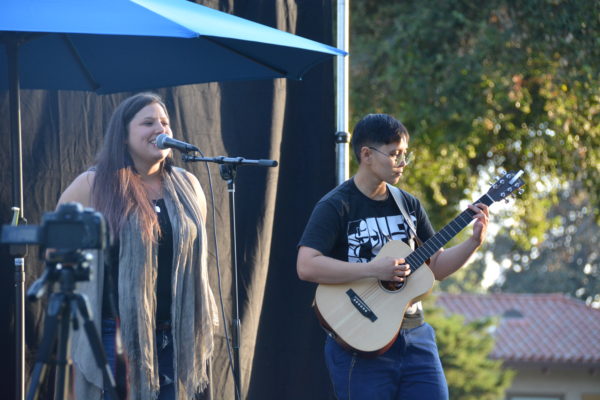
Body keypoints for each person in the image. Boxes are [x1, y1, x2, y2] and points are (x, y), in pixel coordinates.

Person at [296, 114, 489, 400]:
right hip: (360, 342)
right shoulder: (336, 205)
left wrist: (473, 242)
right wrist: (373, 270)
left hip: (416, 337)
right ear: (367, 155)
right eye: (394, 154)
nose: (402, 163)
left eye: (404, 154)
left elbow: (436, 266)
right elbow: (306, 265)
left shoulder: (408, 204)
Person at [57, 93, 218, 400]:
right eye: (148, 123)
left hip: (173, 332)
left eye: (165, 122)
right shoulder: (93, 185)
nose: (160, 129)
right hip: (113, 333)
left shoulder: (188, 185)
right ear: (124, 136)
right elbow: (56, 250)